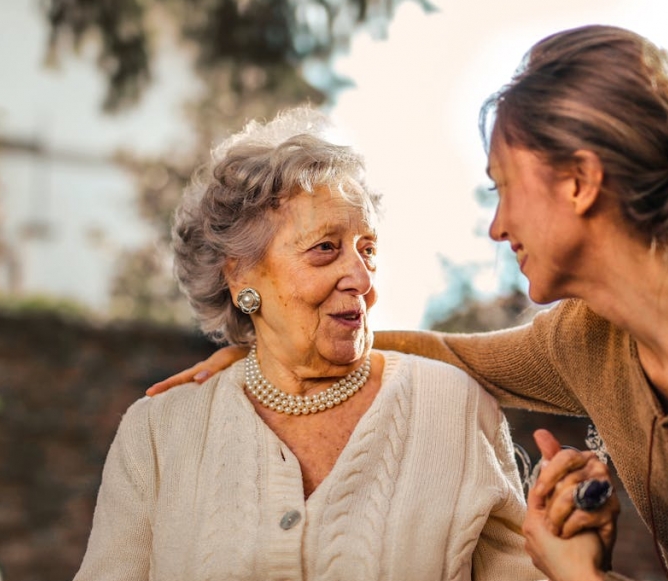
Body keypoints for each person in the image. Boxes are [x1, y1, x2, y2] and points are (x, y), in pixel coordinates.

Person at [146, 25, 668, 581]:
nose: (497, 225)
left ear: (578, 182)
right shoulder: (590, 336)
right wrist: (268, 340)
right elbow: (449, 353)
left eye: (503, 187)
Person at [74, 107, 573, 580]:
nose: (360, 277)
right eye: (325, 249)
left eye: (368, 249)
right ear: (241, 274)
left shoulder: (456, 408)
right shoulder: (158, 433)